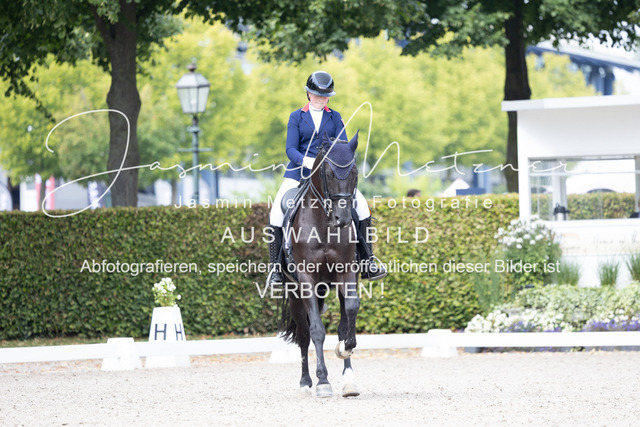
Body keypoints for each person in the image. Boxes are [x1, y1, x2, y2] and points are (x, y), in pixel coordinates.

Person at [267, 70, 387, 286]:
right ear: (308, 94)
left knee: (362, 207)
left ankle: (368, 260)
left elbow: (343, 147)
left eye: (325, 96)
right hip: (299, 172)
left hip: (330, 175)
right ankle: (276, 269)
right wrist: (308, 162)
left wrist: (335, 165)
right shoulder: (296, 117)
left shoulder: (335, 117)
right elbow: (290, 149)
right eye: (317, 94)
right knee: (276, 212)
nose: (321, 99)